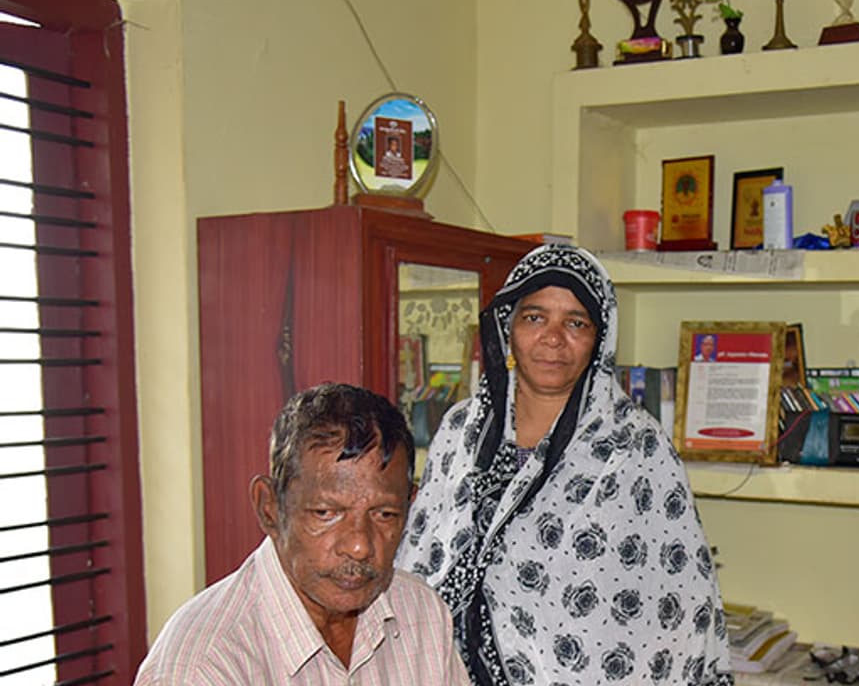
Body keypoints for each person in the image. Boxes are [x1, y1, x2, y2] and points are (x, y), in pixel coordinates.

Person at [396, 245, 735, 685]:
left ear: (600, 339)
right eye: (535, 317)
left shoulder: (635, 446)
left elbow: (680, 598)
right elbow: (420, 556)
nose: (553, 338)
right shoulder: (461, 430)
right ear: (508, 326)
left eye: (576, 323)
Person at [135, 383, 468, 685]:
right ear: (269, 509)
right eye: (326, 513)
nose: (359, 545)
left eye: (385, 515)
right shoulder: (201, 668)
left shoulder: (422, 614)